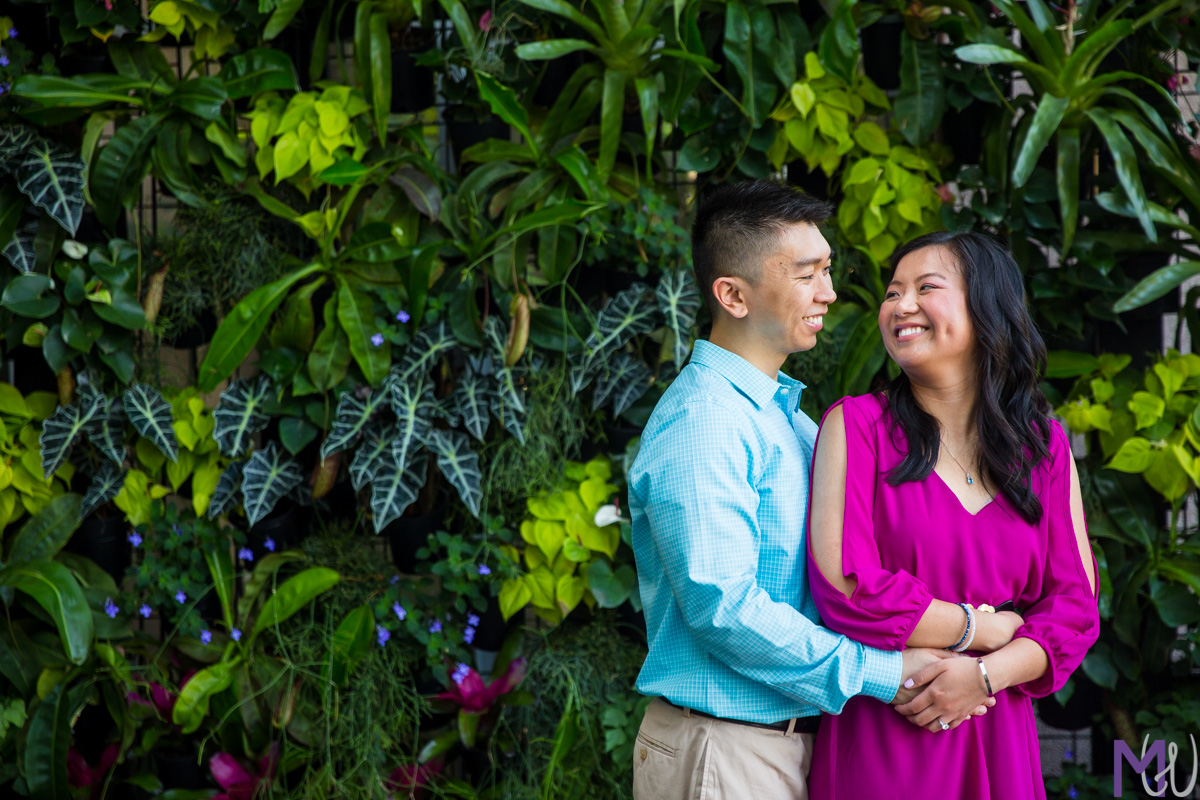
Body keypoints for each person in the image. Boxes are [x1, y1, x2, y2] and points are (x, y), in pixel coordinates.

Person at [627, 182, 986, 800]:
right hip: (727, 749)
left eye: (827, 270)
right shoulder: (706, 420)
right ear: (732, 295)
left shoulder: (788, 421)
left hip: (790, 746)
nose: (829, 292)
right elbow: (725, 607)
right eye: (806, 275)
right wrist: (885, 671)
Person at [805, 230, 1099, 799]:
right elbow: (845, 585)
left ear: (986, 308)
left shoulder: (1044, 448)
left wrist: (984, 675)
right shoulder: (857, 426)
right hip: (890, 727)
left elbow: (1075, 608)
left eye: (926, 287)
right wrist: (982, 630)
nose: (900, 305)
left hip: (996, 723)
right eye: (894, 292)